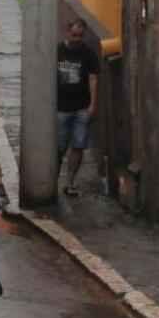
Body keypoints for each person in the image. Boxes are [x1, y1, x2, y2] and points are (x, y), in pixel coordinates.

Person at [57, 18, 100, 197]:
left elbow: (93, 79)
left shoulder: (88, 54)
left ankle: (70, 182)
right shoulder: (58, 51)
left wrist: (93, 105)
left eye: (80, 36)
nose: (77, 39)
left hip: (81, 107)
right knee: (58, 147)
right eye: (74, 35)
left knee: (78, 146)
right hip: (61, 108)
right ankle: (52, 180)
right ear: (68, 32)